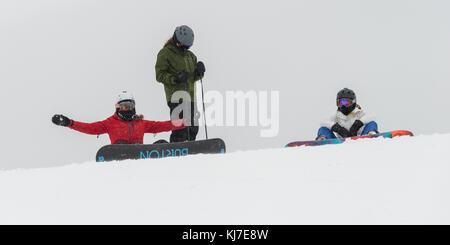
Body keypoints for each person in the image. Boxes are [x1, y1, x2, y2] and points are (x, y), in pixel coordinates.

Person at [51, 91, 186, 144]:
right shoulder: (110, 123)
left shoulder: (140, 122)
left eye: (129, 105)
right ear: (117, 108)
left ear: (134, 106)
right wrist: (69, 123)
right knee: (120, 144)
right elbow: (90, 128)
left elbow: (163, 125)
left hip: (140, 156)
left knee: (161, 143)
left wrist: (184, 122)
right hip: (121, 156)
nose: (127, 108)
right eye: (123, 106)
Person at [155, 25, 205, 143]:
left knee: (193, 128)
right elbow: (159, 75)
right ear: (176, 40)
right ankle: (176, 148)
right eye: (184, 45)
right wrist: (175, 79)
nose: (186, 48)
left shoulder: (191, 56)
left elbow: (193, 77)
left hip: (191, 97)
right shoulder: (165, 53)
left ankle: (190, 148)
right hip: (176, 97)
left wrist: (200, 72)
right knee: (181, 128)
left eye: (188, 46)